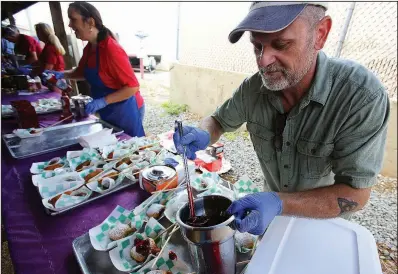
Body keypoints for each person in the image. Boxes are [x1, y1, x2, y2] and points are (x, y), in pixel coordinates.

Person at [173, 2, 390, 235]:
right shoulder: (253, 89)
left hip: (326, 226)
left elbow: (355, 194)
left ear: (320, 34)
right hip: (273, 216)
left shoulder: (360, 96)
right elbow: (218, 121)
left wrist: (279, 202)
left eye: (281, 44)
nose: (263, 61)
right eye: (257, 46)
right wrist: (205, 133)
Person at [59, 2, 145, 137]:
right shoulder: (90, 48)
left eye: (73, 19)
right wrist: (60, 75)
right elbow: (81, 72)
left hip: (125, 110)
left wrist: (102, 101)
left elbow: (132, 87)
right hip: (107, 110)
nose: (69, 24)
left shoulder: (111, 49)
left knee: (131, 150)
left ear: (90, 22)